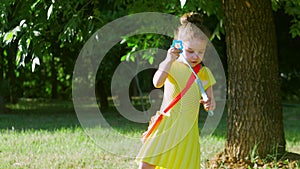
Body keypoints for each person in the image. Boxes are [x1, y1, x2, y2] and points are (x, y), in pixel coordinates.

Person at [136, 12, 216, 169]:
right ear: (177, 45)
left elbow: (210, 102)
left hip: (187, 130)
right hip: (167, 123)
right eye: (190, 51)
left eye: (201, 52)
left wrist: (209, 103)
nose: (196, 56)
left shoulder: (204, 73)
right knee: (147, 163)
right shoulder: (171, 66)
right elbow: (157, 82)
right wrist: (168, 59)